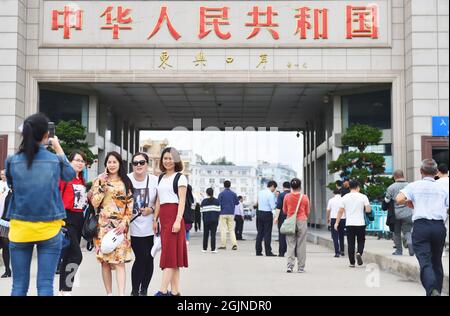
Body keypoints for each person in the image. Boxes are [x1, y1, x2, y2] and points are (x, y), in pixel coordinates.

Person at [6, 113, 75, 296]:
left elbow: (11, 185)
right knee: (45, 285)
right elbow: (70, 175)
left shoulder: (12, 161)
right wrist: (58, 147)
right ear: (46, 135)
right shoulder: (53, 160)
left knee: (18, 286)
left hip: (20, 229)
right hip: (49, 229)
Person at [396, 159, 448, 296]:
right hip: (438, 226)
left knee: (425, 261)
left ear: (421, 172)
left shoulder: (414, 186)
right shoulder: (442, 187)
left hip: (421, 227)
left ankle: (432, 290)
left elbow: (399, 199)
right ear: (436, 172)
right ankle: (437, 290)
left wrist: (411, 202)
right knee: (436, 261)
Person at [91, 151, 133, 296]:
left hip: (120, 227)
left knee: (119, 261)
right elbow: (95, 202)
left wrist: (124, 222)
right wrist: (102, 185)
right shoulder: (99, 180)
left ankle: (121, 294)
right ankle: (109, 293)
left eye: (115, 162)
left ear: (120, 163)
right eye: (109, 162)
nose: (112, 164)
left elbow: (130, 205)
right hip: (103, 226)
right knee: (105, 262)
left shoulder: (126, 181)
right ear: (106, 164)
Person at [153, 147, 188, 296]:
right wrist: (155, 219)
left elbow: (182, 201)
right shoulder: (161, 177)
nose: (167, 161)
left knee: (169, 256)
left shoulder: (180, 178)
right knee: (172, 256)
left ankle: (162, 291)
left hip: (174, 218)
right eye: (165, 158)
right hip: (164, 218)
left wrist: (178, 220)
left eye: (170, 158)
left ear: (176, 160)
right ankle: (174, 292)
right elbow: (159, 200)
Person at [58, 150, 89, 296]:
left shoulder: (81, 180)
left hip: (79, 220)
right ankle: (66, 289)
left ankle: (63, 291)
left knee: (69, 257)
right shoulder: (64, 178)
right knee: (77, 256)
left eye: (82, 161)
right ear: (70, 162)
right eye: (77, 160)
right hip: (66, 219)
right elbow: (57, 196)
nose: (80, 163)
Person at [128, 152, 157, 296]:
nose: (138, 165)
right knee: (141, 257)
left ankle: (144, 289)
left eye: (142, 162)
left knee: (149, 258)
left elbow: (161, 202)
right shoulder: (126, 179)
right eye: (135, 163)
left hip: (151, 227)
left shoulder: (154, 181)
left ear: (147, 164)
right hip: (133, 228)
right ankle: (134, 290)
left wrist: (151, 209)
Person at [335, 180, 371, 268]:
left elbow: (340, 211)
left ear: (349, 187)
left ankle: (352, 262)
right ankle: (359, 253)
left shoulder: (344, 197)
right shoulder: (363, 197)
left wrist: (336, 223)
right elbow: (368, 210)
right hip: (360, 223)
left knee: (351, 242)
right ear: (358, 187)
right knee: (361, 240)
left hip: (349, 223)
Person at [283, 179, 310, 273]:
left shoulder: (287, 196)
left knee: (290, 244)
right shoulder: (305, 197)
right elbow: (307, 212)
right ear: (300, 186)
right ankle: (301, 267)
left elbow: (284, 211)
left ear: (291, 187)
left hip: (290, 221)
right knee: (301, 244)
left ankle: (290, 266)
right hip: (302, 221)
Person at [384, 169, 414, 256]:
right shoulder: (409, 186)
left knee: (396, 233)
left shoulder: (391, 187)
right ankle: (410, 243)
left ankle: (399, 251)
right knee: (407, 231)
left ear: (394, 177)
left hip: (396, 214)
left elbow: (386, 200)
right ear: (403, 175)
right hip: (408, 212)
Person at [256, 181, 278, 256]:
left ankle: (258, 251)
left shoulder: (260, 192)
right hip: (267, 214)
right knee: (267, 233)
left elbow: (258, 202)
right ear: (272, 186)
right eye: (274, 188)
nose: (274, 190)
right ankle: (268, 252)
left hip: (259, 213)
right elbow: (272, 207)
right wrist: (276, 217)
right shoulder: (270, 195)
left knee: (260, 233)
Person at [217, 180, 239, 250]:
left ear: (224, 185)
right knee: (231, 229)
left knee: (223, 229)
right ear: (230, 185)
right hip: (231, 213)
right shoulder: (233, 194)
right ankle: (234, 244)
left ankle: (223, 245)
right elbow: (237, 203)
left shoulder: (221, 194)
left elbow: (218, 204)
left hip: (223, 213)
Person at [326, 189, 345, 257]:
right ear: (340, 193)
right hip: (342, 219)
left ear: (333, 193)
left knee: (335, 236)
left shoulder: (331, 200)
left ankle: (337, 252)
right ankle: (342, 251)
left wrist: (327, 218)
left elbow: (328, 210)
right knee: (341, 235)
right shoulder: (343, 199)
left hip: (334, 219)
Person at [200, 188, 220, 253]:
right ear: (213, 193)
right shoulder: (217, 201)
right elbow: (218, 211)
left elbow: (201, 211)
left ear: (206, 193)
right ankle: (213, 249)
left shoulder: (203, 201)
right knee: (213, 235)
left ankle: (204, 249)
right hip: (214, 220)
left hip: (206, 220)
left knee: (205, 234)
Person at [274, 181, 291, 257]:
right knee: (292, 235)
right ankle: (294, 252)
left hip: (282, 217)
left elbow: (278, 207)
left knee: (282, 234)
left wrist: (276, 218)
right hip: (292, 217)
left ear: (283, 187)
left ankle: (281, 252)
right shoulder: (292, 195)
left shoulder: (281, 195)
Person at [0, 169, 11, 278]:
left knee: (7, 246)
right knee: (4, 246)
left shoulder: (18, 192)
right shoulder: (6, 192)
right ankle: (7, 270)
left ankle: (9, 269)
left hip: (12, 223)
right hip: (3, 222)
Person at [436, 163, 449, 257]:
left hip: (442, 208)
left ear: (439, 172)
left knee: (443, 228)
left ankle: (443, 249)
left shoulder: (436, 183)